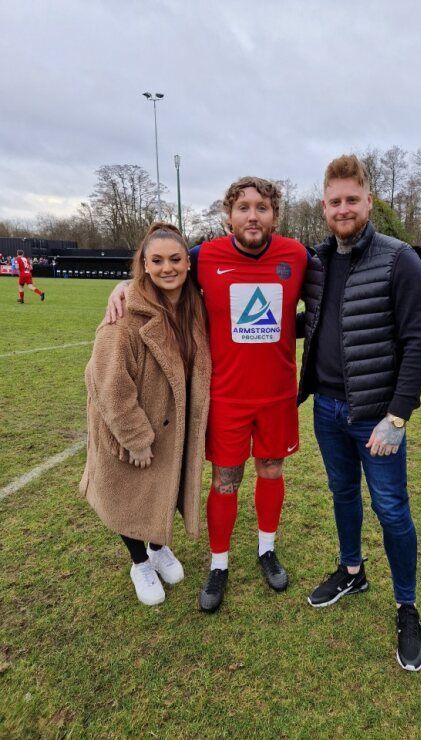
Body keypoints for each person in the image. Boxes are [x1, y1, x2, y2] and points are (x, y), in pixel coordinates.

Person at [106, 178, 308, 613]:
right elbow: (161, 272)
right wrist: (123, 287)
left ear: (275, 214)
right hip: (226, 398)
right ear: (228, 215)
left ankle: (266, 550)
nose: (253, 216)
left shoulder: (296, 255)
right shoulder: (205, 257)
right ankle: (219, 565)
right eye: (243, 208)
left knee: (271, 470)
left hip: (276, 396)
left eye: (262, 208)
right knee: (225, 480)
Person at [297, 155, 421, 672]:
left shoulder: (398, 259)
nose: (343, 209)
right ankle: (352, 570)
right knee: (342, 493)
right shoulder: (315, 262)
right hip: (327, 409)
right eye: (334, 201)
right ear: (324, 205)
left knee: (392, 509)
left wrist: (397, 417)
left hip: (376, 416)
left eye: (352, 199)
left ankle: (407, 605)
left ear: (369, 200)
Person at [80, 223, 211, 605]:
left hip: (172, 420)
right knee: (131, 493)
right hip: (131, 425)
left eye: (175, 259)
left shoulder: (194, 305)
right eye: (157, 260)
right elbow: (108, 383)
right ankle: (139, 560)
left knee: (161, 487)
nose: (167, 267)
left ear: (188, 262)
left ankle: (158, 546)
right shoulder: (124, 316)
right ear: (144, 264)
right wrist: (135, 438)